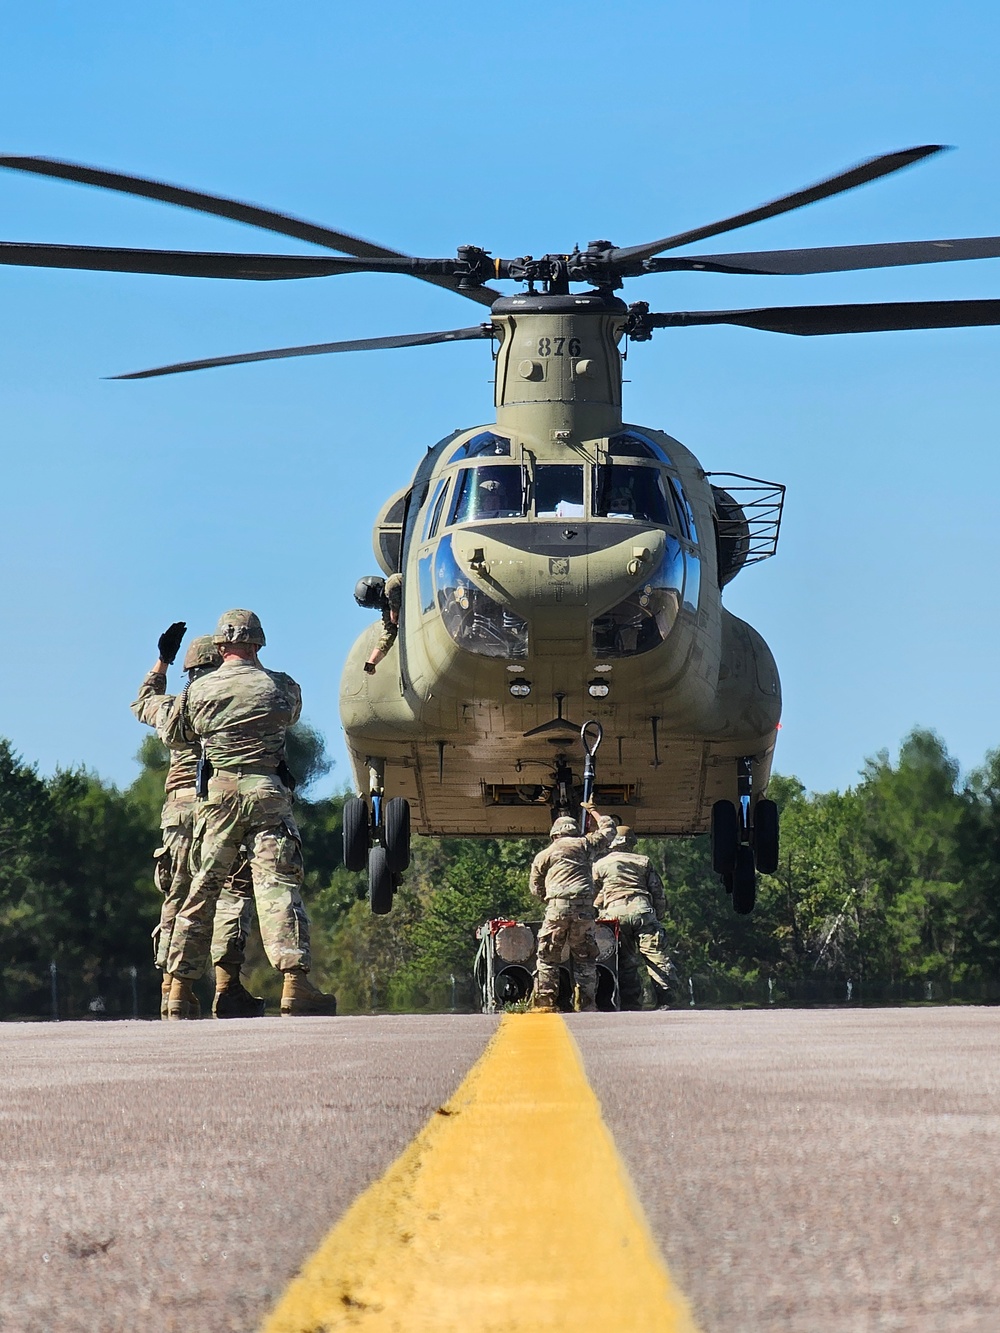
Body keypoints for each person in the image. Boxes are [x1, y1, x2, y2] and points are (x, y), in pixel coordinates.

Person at [159, 609, 337, 1019]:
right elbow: (289, 717)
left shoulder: (197, 693)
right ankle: (295, 985)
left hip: (217, 798)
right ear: (258, 643)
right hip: (266, 791)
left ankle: (180, 990)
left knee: (202, 890)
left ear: (221, 646)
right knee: (277, 886)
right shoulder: (282, 687)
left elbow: (175, 733)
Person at [130, 623, 265, 1020]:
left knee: (179, 898)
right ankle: (227, 988)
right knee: (230, 895)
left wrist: (162, 661)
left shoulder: (176, 706)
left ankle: (173, 990)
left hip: (179, 811)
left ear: (189, 670)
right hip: (220, 805)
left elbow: (143, 701)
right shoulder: (231, 701)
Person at [528, 803, 617, 1012]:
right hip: (584, 910)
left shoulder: (545, 854)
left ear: (554, 835)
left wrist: (550, 901)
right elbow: (609, 830)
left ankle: (545, 1003)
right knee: (584, 958)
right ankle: (587, 1004)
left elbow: (535, 886)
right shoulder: (586, 845)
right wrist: (593, 809)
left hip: (556, 908)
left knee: (548, 956)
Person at [593, 827, 679, 1009]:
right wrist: (659, 915)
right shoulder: (643, 861)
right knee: (656, 955)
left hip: (614, 913)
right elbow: (657, 892)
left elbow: (593, 893)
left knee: (625, 960)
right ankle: (666, 1000)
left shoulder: (600, 865)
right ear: (630, 843)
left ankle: (630, 1003)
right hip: (642, 910)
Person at [354, 573, 403, 675]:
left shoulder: (391, 582)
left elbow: (394, 584)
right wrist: (371, 662)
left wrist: (394, 610)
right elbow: (387, 637)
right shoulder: (387, 612)